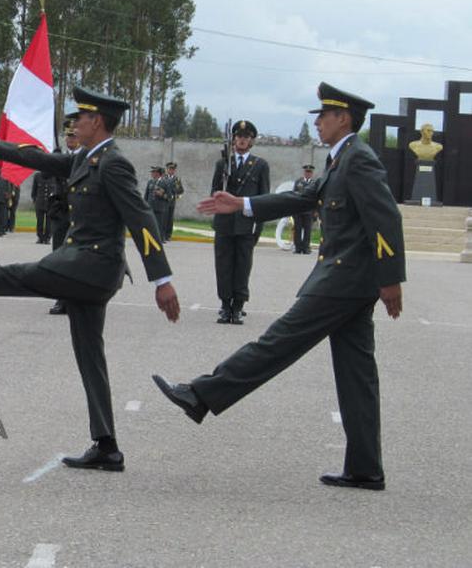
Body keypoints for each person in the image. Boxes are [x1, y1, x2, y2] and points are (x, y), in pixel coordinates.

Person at [0, 87, 180, 472]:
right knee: (90, 354)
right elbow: (35, 157)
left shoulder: (113, 164)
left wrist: (163, 279)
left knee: (7, 276)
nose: (75, 123)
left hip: (90, 267)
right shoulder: (85, 158)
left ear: (99, 122)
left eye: (82, 117)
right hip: (86, 269)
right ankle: (107, 446)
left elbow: (142, 217)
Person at [154, 82, 404, 492]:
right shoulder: (340, 160)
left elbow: (387, 218)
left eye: (324, 116)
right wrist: (242, 204)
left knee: (276, 343)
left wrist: (391, 278)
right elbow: (303, 199)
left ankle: (202, 394)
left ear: (344, 119)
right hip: (348, 281)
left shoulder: (359, 159)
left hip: (343, 280)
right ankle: (365, 468)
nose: (318, 122)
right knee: (357, 374)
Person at [210, 120, 270, 325]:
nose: (242, 140)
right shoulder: (223, 164)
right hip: (225, 224)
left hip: (246, 225)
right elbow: (213, 193)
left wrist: (258, 227)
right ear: (234, 139)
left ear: (251, 141)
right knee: (224, 265)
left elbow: (264, 199)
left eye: (246, 137)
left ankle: (238, 307)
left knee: (243, 266)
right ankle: (225, 305)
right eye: (239, 137)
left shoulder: (260, 165)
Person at [47, 115, 81, 315]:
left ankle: (75, 299)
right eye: (68, 137)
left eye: (74, 137)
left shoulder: (84, 157)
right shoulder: (58, 155)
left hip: (78, 215)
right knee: (58, 258)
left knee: (77, 260)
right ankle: (60, 299)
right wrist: (53, 161)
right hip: (60, 215)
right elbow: (44, 176)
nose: (70, 140)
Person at [292, 165, 316, 254]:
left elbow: (317, 197)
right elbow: (294, 194)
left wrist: (316, 211)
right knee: (297, 229)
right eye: (306, 172)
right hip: (298, 209)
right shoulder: (298, 182)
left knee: (308, 230)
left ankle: (306, 248)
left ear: (312, 173)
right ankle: (298, 247)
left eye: (310, 172)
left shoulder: (315, 183)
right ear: (304, 172)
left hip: (309, 210)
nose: (308, 174)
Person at [144, 166, 169, 240]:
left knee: (158, 224)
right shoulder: (150, 182)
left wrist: (162, 195)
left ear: (158, 173)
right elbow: (146, 195)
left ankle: (159, 239)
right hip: (150, 206)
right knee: (149, 224)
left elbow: (169, 197)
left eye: (153, 172)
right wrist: (144, 205)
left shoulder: (165, 183)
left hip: (159, 208)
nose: (152, 174)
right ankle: (150, 238)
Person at [31, 168, 53, 244]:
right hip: (40, 202)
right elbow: (34, 189)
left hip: (50, 202)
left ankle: (47, 237)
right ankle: (40, 237)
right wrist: (34, 199)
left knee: (49, 221)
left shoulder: (53, 176)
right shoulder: (37, 176)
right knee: (39, 221)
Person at [163, 162, 183, 241]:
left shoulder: (177, 179)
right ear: (167, 169)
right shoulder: (163, 178)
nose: (171, 170)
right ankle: (162, 235)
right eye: (170, 169)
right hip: (164, 201)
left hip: (172, 201)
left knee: (170, 219)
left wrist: (177, 193)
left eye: (173, 169)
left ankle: (168, 235)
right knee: (163, 218)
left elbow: (181, 190)